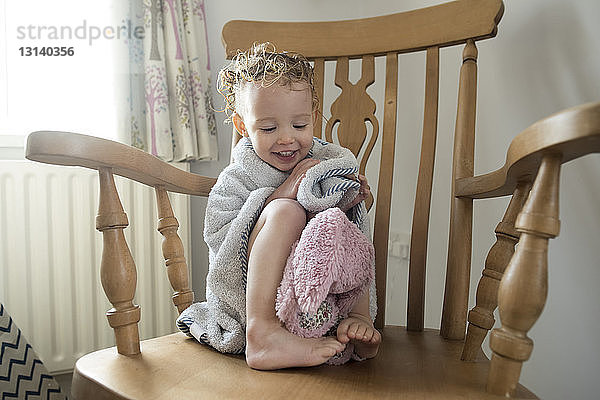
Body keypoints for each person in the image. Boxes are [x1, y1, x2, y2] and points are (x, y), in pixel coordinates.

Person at [178, 42, 380, 370]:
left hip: (314, 297)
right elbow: (220, 237)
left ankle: (355, 318)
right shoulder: (238, 178)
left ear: (314, 118)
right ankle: (264, 335)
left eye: (299, 126)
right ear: (243, 126)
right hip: (257, 297)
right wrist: (284, 194)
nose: (286, 138)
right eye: (269, 128)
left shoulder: (328, 162)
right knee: (285, 211)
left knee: (342, 226)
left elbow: (337, 235)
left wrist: (352, 201)